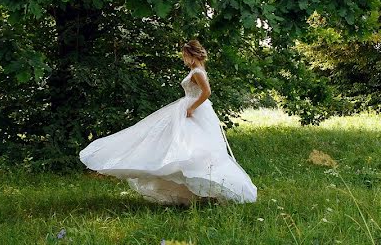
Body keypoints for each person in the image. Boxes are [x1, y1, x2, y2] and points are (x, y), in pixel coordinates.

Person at [79, 40, 257, 204]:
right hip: (189, 109)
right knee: (184, 148)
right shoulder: (198, 70)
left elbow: (207, 92)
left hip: (194, 111)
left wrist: (192, 107)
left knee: (197, 150)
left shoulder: (197, 72)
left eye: (184, 56)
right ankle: (195, 193)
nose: (184, 60)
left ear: (190, 55)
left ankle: (209, 191)